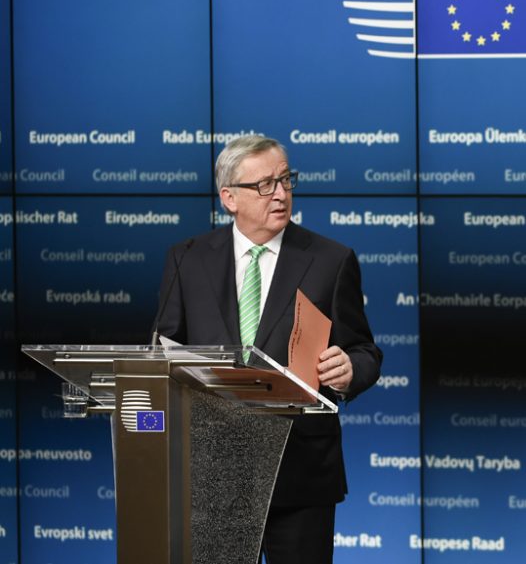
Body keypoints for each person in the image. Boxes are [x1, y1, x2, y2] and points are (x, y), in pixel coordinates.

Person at [155, 135, 382, 563]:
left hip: (300, 472)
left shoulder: (331, 260)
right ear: (229, 198)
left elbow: (364, 350)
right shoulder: (188, 260)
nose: (280, 194)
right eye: (264, 185)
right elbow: (162, 350)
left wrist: (350, 367)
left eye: (285, 180)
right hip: (213, 474)